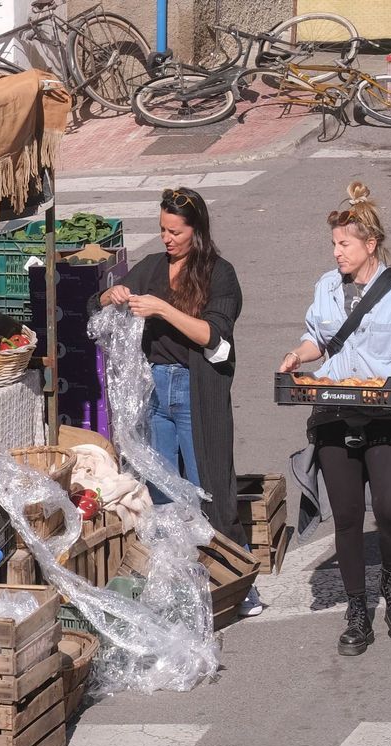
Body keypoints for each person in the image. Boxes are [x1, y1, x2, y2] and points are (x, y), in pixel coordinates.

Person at [280, 181, 391, 657]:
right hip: (334, 408)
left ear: (370, 244)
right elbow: (318, 339)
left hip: (390, 410)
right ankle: (357, 608)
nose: (336, 253)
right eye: (334, 244)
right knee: (348, 516)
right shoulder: (326, 288)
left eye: (344, 244)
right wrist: (297, 355)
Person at [98, 186, 247, 566]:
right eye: (162, 230)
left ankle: (234, 572)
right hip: (156, 389)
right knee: (162, 484)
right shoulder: (152, 266)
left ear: (196, 231)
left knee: (208, 484)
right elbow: (95, 303)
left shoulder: (220, 273)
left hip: (196, 386)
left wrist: (163, 309)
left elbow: (213, 335)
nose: (166, 239)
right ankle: (177, 570)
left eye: (175, 232)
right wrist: (110, 294)